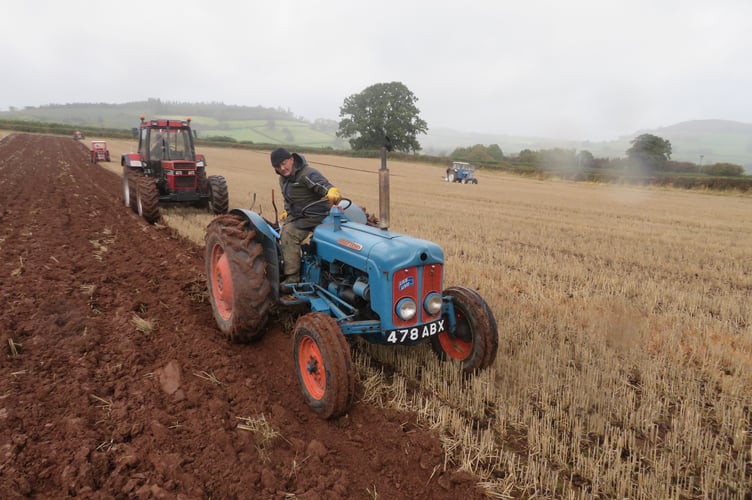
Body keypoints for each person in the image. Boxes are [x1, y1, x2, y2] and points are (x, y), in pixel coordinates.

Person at [270, 147, 342, 291]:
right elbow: (288, 198)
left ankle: (292, 279)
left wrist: (332, 191)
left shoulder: (307, 173)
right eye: (278, 166)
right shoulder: (283, 179)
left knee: (289, 235)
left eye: (284, 163)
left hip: (315, 216)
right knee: (280, 232)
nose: (282, 168)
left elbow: (325, 186)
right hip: (298, 216)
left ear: (291, 159)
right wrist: (286, 210)